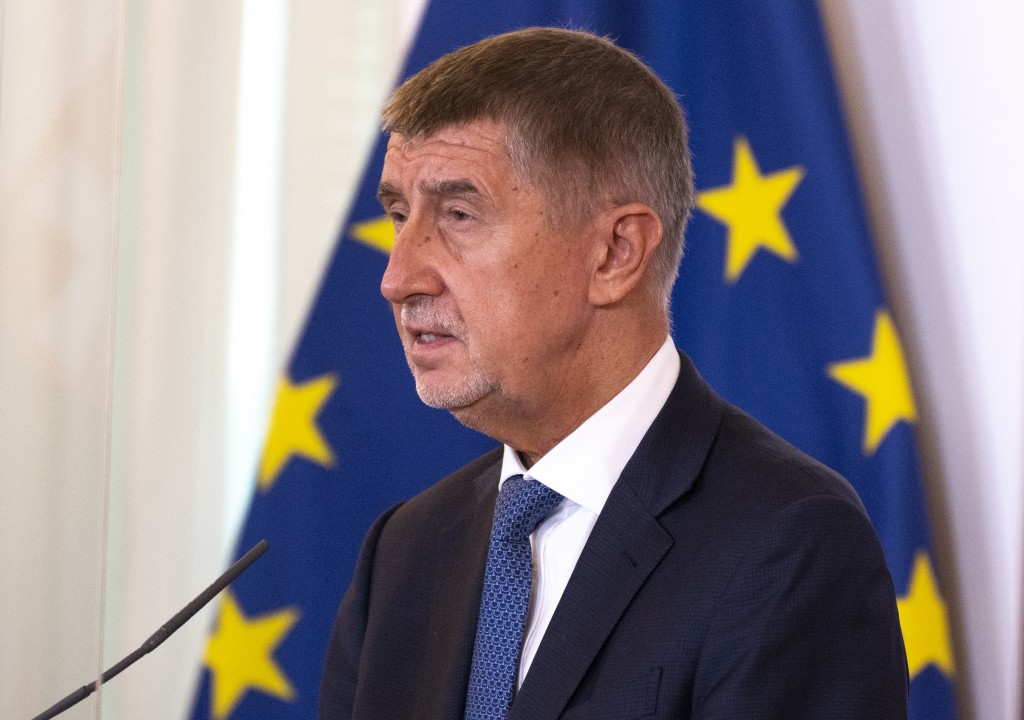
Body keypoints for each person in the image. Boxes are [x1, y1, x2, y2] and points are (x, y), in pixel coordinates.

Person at [318, 27, 908, 720]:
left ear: (615, 254)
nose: (397, 277)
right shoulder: (405, 550)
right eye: (397, 214)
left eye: (458, 214)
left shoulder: (790, 546)